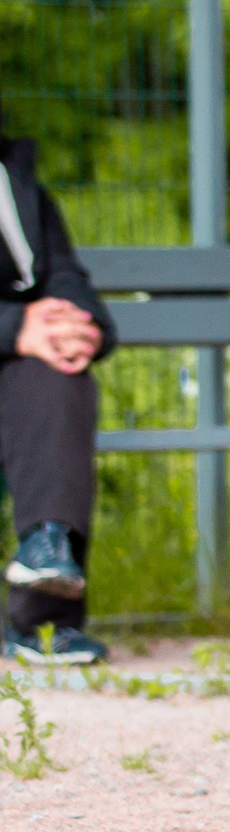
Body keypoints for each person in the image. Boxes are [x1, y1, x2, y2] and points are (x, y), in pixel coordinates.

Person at [2, 116, 114, 665]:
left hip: (17, 382)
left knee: (59, 372)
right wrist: (13, 328)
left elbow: (64, 272)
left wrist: (76, 325)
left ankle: (45, 605)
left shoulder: (19, 182)